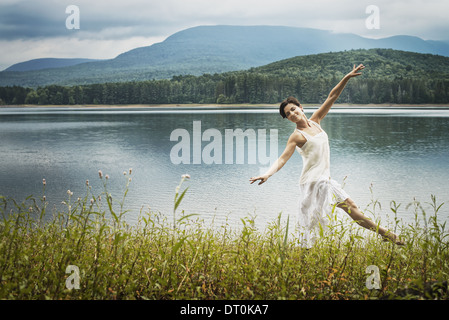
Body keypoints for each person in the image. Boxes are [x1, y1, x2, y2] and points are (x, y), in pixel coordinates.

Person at [249, 64, 403, 247]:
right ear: (287, 119)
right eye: (287, 114)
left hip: (325, 180)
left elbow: (332, 96)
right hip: (314, 182)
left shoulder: (316, 121)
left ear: (301, 107)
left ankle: (386, 235)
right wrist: (267, 173)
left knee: (349, 209)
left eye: (293, 109)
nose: (292, 114)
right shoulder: (296, 136)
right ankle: (311, 253)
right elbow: (283, 158)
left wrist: (346, 77)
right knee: (318, 221)